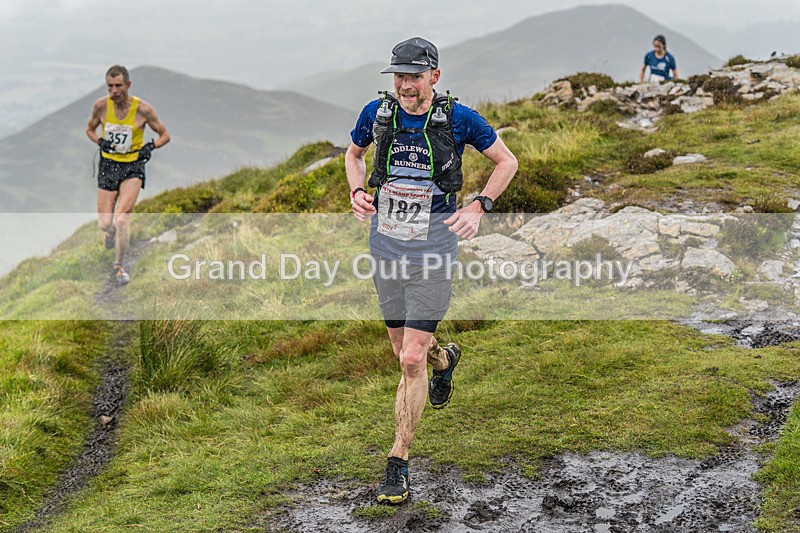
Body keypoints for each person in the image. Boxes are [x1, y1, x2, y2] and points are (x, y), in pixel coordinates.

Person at [345, 37, 518, 504]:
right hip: (385, 245)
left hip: (434, 250)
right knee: (408, 352)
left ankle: (397, 462)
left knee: (409, 360)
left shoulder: (459, 118)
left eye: (414, 76)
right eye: (398, 76)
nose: (404, 85)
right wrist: (358, 192)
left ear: (434, 77)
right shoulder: (376, 114)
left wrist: (480, 206)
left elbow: (507, 161)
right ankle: (446, 360)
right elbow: (353, 155)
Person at [86, 65, 170, 284]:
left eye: (118, 86)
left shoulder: (143, 109)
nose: (114, 91)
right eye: (110, 86)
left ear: (128, 85)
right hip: (108, 165)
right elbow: (90, 130)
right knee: (105, 224)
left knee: (122, 220)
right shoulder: (101, 106)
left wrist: (150, 147)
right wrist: (100, 140)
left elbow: (165, 135)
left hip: (133, 166)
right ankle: (110, 232)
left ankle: (119, 268)